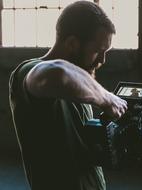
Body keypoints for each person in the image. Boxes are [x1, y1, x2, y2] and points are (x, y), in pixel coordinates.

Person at [9, 1, 127, 190]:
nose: (103, 60)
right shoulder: (27, 71)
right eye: (98, 51)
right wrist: (107, 98)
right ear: (72, 43)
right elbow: (58, 74)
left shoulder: (81, 80)